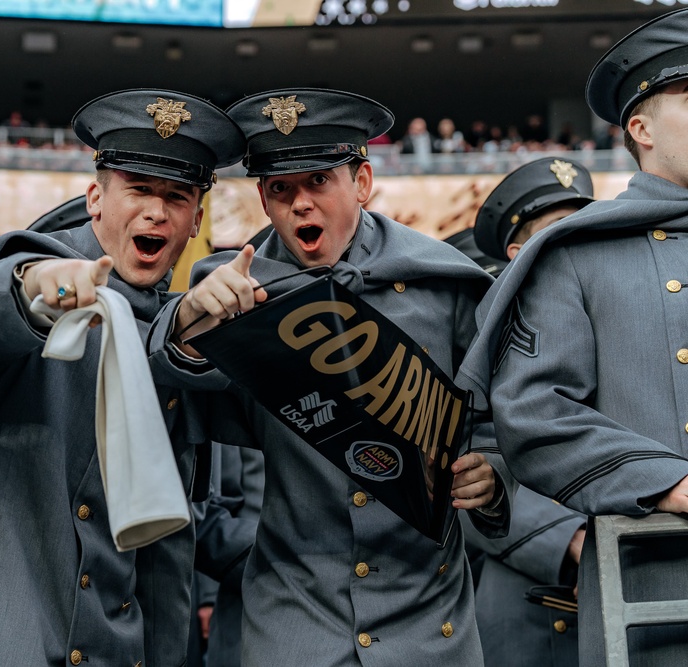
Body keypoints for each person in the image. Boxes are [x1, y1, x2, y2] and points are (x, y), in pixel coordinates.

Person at [152, 88, 511, 665]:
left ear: (362, 183)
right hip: (296, 619)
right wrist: (188, 324)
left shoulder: (446, 283)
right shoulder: (231, 292)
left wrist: (492, 478)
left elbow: (500, 424)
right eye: (280, 189)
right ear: (263, 202)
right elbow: (174, 402)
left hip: (427, 620)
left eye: (319, 181)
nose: (301, 204)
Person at [0, 88, 245, 666]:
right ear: (95, 198)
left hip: (108, 642)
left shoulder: (181, 331)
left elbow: (167, 548)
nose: (156, 211)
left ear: (196, 220)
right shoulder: (42, 270)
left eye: (176, 197)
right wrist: (36, 286)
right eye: (139, 190)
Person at [457, 9, 688, 665]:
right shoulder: (575, 254)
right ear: (639, 128)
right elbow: (535, 413)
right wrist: (670, 483)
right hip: (653, 595)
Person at [466, 157, 596, 667]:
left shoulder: (618, 319)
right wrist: (571, 541)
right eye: (559, 233)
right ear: (519, 254)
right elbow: (467, 468)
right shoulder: (485, 342)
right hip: (526, 601)